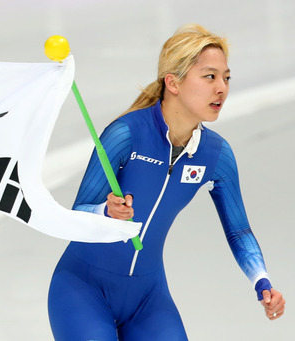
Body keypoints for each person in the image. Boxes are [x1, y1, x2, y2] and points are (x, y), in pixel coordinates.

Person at [47, 24, 286, 341]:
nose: (222, 88)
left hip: (148, 300)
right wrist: (106, 212)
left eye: (226, 77)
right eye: (210, 76)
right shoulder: (126, 134)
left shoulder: (215, 154)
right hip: (84, 290)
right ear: (173, 82)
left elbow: (238, 229)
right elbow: (78, 211)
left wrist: (262, 281)